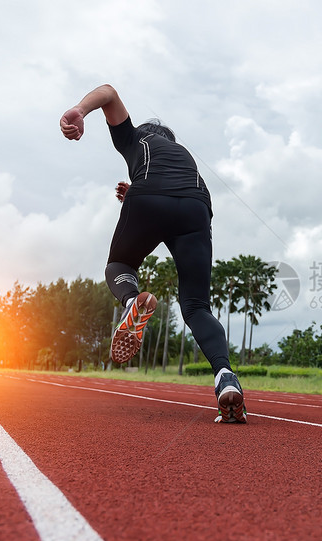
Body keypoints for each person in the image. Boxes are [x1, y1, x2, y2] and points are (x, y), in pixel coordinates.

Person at [60, 84, 246, 423]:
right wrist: (145, 194)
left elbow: (109, 92)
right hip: (195, 210)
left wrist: (79, 111)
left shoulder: (135, 139)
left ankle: (132, 302)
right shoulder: (183, 155)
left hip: (149, 198)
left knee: (119, 264)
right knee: (196, 306)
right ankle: (225, 377)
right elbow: (176, 192)